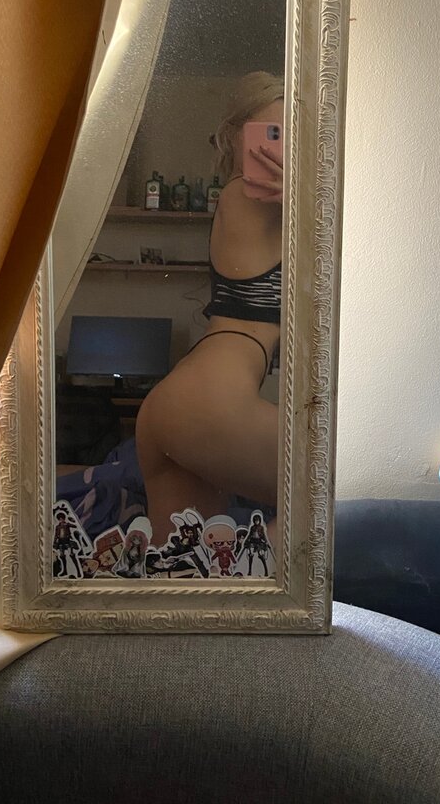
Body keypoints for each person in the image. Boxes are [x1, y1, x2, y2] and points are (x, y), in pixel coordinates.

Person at [135, 72, 284, 540]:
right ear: (236, 139)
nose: (278, 151)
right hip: (208, 402)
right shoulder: (246, 195)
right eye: (269, 134)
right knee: (335, 495)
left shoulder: (277, 206)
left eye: (291, 137)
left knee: (190, 571)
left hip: (180, 401)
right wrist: (310, 185)